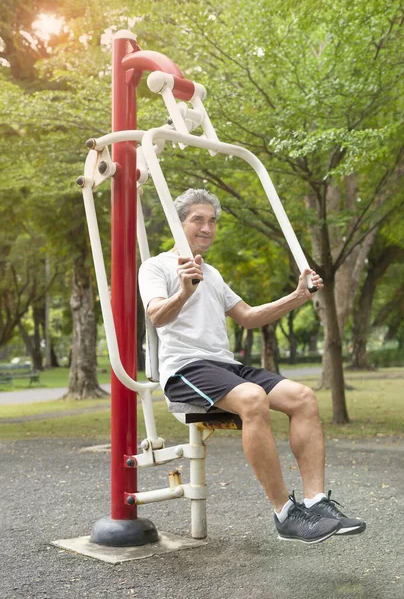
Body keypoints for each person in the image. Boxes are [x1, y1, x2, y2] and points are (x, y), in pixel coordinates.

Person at [139, 188, 366, 544]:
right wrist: (183, 291)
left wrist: (297, 296)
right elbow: (156, 316)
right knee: (253, 397)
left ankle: (317, 502)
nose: (207, 227)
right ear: (178, 224)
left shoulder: (211, 273)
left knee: (303, 397)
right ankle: (285, 515)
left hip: (224, 365)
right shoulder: (157, 266)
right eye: (197, 219)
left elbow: (247, 317)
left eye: (212, 221)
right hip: (185, 369)